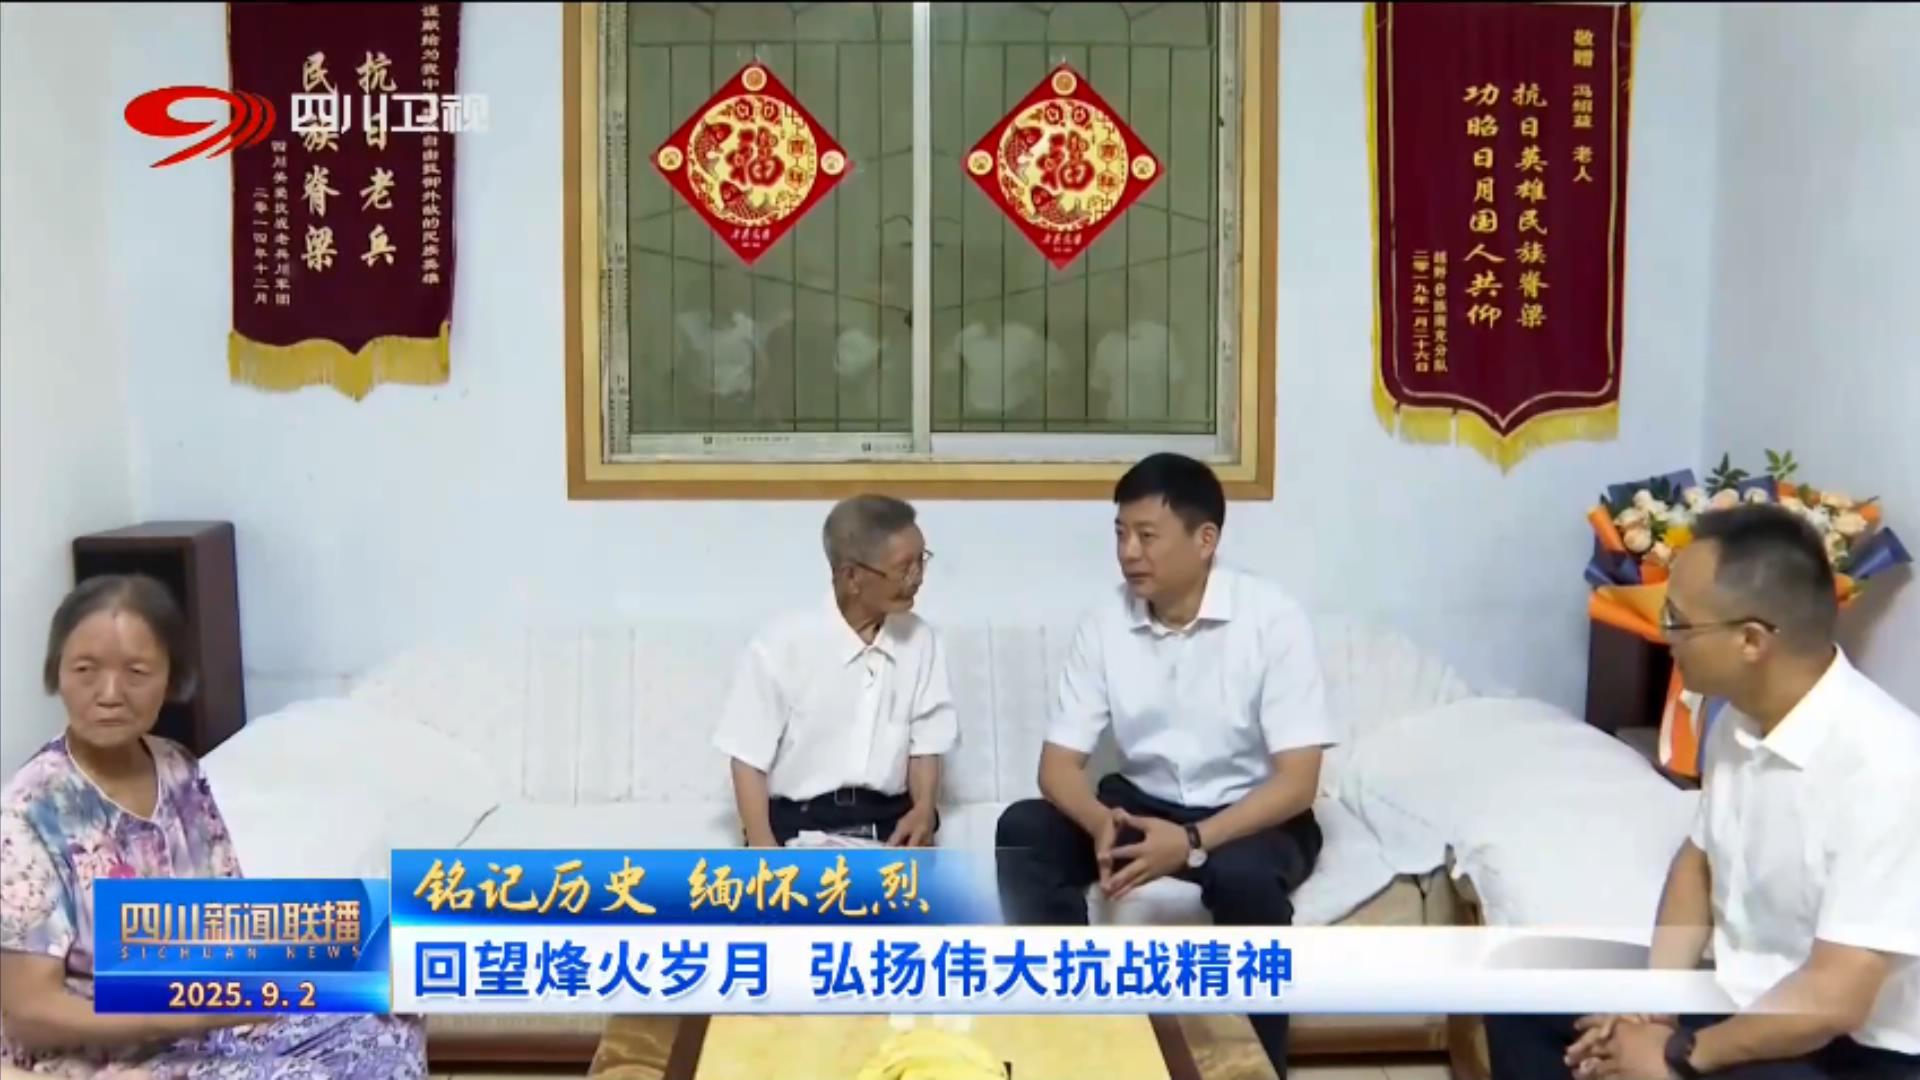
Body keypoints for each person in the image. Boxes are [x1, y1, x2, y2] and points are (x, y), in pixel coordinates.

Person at [1485, 504, 1920, 1079]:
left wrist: (1675, 1055)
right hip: (1735, 999)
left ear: (1751, 641)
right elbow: (1698, 864)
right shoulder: (1737, 719)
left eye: (1679, 621)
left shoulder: (1887, 766)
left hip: (1850, 1049)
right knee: (1519, 996)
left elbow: (1832, 999)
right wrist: (1652, 1008)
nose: (1665, 636)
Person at [0, 574, 427, 1078]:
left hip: (203, 1026)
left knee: (385, 1028)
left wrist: (349, 962)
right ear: (57, 673)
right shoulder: (30, 811)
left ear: (172, 679)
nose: (109, 693)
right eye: (85, 670)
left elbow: (224, 920)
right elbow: (30, 1014)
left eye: (136, 672)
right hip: (108, 1057)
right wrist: (181, 1014)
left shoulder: (176, 767)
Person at [995, 453, 1337, 1079]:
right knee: (1024, 829)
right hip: (1140, 804)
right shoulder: (1105, 623)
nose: (1129, 553)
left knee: (1245, 879)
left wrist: (1192, 841)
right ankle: (1069, 1040)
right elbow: (1056, 768)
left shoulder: (1273, 619)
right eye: (1121, 534)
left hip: (1250, 814)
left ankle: (1253, 1070)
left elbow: (1298, 782)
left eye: (1147, 535)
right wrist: (1100, 823)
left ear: (1205, 540)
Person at [715, 494, 957, 847]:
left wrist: (923, 810)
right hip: (801, 833)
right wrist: (764, 850)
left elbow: (926, 743)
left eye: (921, 561)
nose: (917, 578)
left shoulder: (920, 640)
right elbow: (747, 759)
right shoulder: (781, 645)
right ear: (852, 576)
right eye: (904, 567)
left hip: (891, 834)